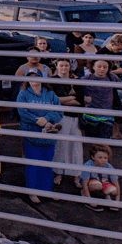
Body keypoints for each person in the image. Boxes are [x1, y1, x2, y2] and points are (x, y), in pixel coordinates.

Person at [16, 70, 63, 203]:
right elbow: (22, 111)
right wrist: (38, 120)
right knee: (33, 163)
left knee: (47, 162)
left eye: (36, 77)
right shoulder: (23, 94)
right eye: (30, 77)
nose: (34, 79)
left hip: (49, 135)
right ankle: (32, 191)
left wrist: (47, 119)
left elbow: (59, 111)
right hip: (32, 133)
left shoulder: (50, 94)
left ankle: (47, 189)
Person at [49, 59, 84, 188]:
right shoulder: (52, 81)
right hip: (59, 117)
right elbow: (52, 100)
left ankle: (76, 174)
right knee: (60, 145)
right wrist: (70, 98)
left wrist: (62, 101)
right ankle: (59, 173)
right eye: (61, 65)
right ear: (57, 67)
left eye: (66, 65)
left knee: (75, 145)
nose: (64, 67)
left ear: (70, 67)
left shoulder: (77, 82)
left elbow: (80, 101)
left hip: (74, 117)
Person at [80, 145, 120, 212]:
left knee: (114, 191)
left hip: (104, 182)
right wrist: (89, 201)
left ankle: (106, 195)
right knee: (96, 186)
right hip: (92, 182)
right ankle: (84, 193)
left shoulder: (109, 167)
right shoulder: (88, 165)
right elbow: (84, 183)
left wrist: (117, 202)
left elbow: (116, 183)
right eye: (100, 157)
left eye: (105, 158)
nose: (103, 160)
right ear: (93, 157)